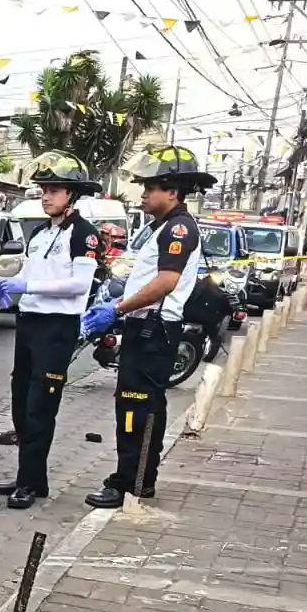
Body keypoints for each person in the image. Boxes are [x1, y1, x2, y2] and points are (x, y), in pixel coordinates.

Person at [80, 145, 214, 509]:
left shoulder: (179, 229)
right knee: (132, 406)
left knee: (140, 409)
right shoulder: (166, 227)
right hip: (146, 328)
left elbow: (166, 282)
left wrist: (117, 308)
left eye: (150, 188)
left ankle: (133, 483)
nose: (143, 195)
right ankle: (135, 479)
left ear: (172, 191)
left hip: (156, 330)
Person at [0, 153, 103, 509]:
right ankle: (31, 478)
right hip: (30, 323)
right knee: (21, 402)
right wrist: (6, 285)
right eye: (44, 190)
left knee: (41, 406)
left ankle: (29, 483)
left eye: (54, 190)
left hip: (57, 327)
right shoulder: (39, 233)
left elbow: (78, 285)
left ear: (72, 194)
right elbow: (29, 276)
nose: (46, 196)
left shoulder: (84, 234)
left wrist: (28, 287)